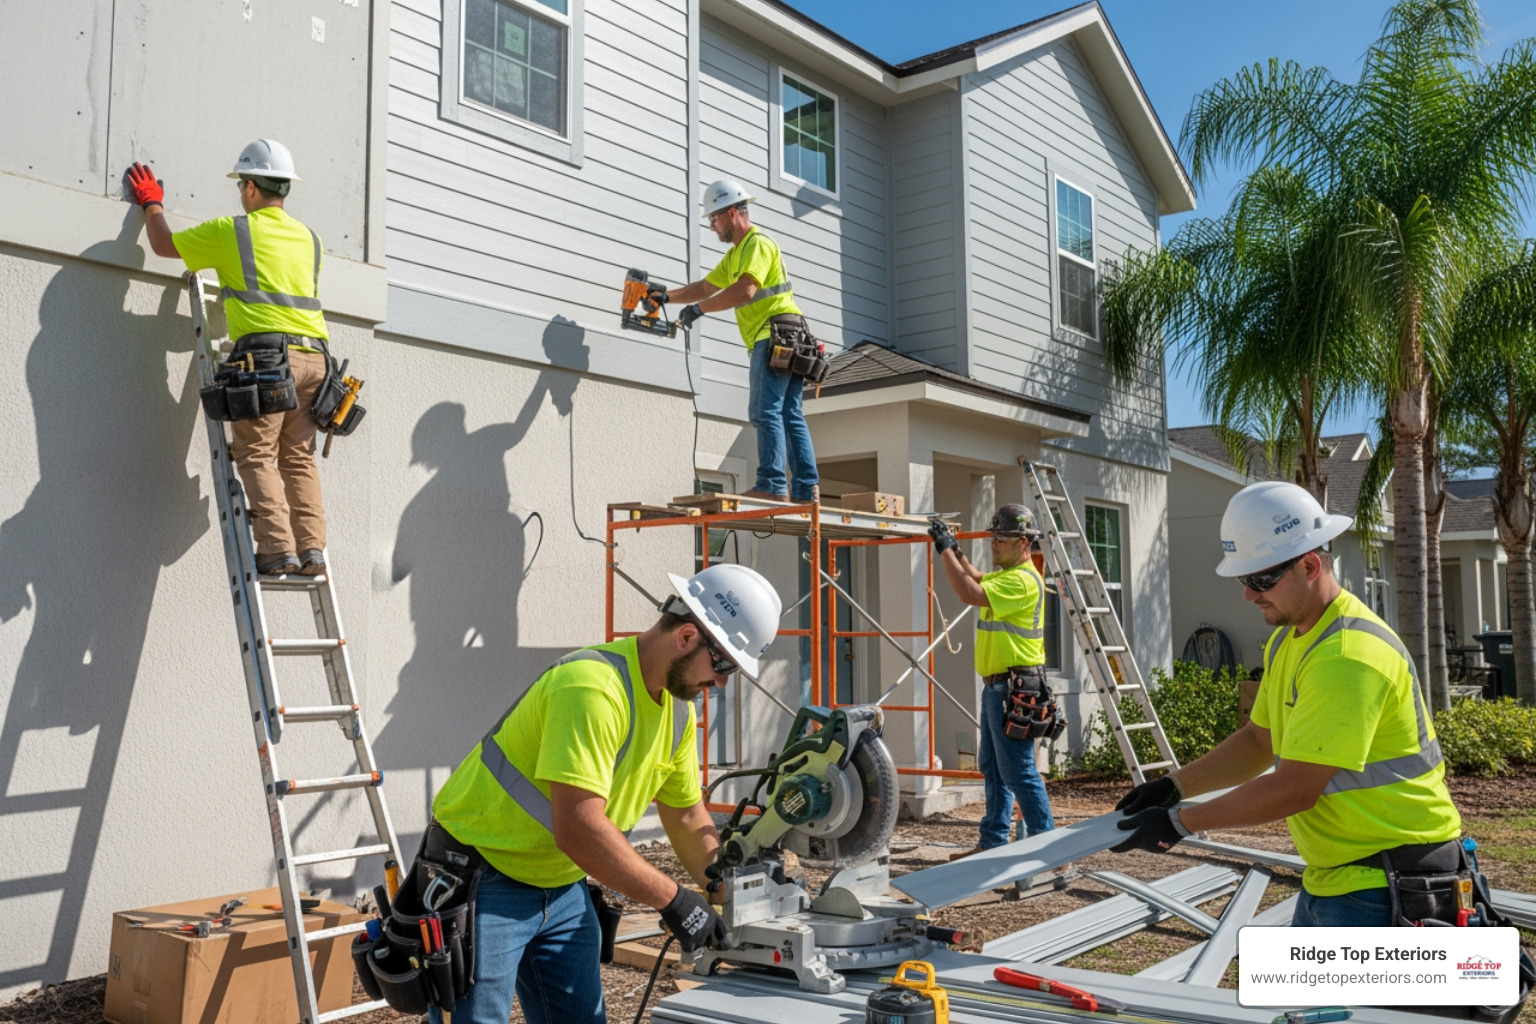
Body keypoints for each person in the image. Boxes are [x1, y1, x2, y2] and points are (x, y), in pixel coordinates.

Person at [420, 562, 782, 1024]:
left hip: (560, 884)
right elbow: (579, 828)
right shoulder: (592, 688)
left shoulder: (675, 711)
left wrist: (725, 889)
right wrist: (673, 900)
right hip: (482, 876)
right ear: (687, 637)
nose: (723, 681)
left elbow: (688, 816)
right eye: (724, 663)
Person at [1112, 481, 1462, 928]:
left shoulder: (1346, 655)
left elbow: (1294, 788)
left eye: (1262, 579)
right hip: (1339, 876)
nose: (1249, 594)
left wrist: (1182, 822)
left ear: (1310, 565)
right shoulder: (1291, 640)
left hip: (1388, 881)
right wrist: (1174, 787)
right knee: (1305, 1002)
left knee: (1343, 1003)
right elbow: (1261, 740)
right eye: (1245, 579)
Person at [127, 140, 333, 577]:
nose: (241, 191)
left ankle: (278, 550)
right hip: (316, 361)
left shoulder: (233, 230)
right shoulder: (310, 239)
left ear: (253, 187)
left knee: (255, 454)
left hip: (268, 361)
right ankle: (312, 550)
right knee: (297, 457)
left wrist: (152, 204)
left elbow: (163, 245)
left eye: (242, 184)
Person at [654, 180, 819, 503]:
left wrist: (698, 311)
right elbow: (704, 288)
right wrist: (663, 296)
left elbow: (745, 290)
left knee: (765, 411)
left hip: (774, 334)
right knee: (788, 413)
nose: (712, 227)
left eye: (713, 219)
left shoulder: (757, 244)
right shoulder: (736, 255)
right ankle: (805, 490)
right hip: (791, 334)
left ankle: (772, 484)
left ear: (731, 213)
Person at [930, 504, 1056, 853]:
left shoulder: (1022, 579)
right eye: (993, 536)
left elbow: (970, 593)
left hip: (1014, 686)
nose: (995, 543)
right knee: (995, 768)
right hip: (999, 687)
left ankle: (1051, 851)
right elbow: (977, 577)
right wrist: (955, 550)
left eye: (1003, 538)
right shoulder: (1007, 574)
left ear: (1024, 542)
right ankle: (993, 844)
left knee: (1019, 772)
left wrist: (943, 552)